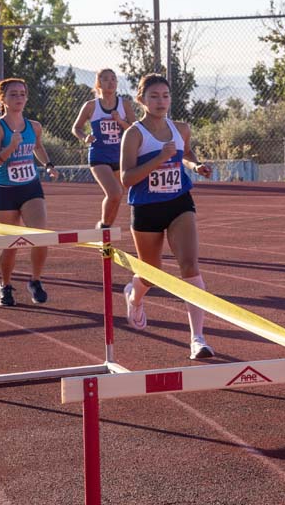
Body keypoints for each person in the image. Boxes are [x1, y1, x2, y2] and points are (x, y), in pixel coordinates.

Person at [120, 74, 214, 360]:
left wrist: (196, 165)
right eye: (154, 96)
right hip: (147, 207)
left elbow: (185, 153)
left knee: (190, 266)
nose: (161, 101)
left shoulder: (181, 128)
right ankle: (134, 297)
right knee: (151, 273)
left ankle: (197, 338)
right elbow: (126, 178)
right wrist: (159, 159)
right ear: (141, 100)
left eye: (165, 96)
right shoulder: (134, 134)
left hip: (178, 202)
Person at [0, 78, 60, 306]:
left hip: (31, 187)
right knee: (11, 244)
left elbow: (37, 146)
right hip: (6, 190)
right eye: (13, 94)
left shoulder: (34, 126)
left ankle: (35, 281)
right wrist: (10, 148)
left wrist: (48, 165)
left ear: (27, 98)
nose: (18, 98)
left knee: (41, 236)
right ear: (3, 99)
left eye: (22, 94)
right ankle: (5, 285)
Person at [71, 68, 133, 229]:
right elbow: (76, 128)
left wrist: (120, 121)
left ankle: (105, 228)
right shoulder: (91, 106)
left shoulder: (124, 104)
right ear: (99, 83)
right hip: (99, 156)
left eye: (113, 79)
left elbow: (134, 130)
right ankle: (104, 229)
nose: (110, 82)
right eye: (106, 79)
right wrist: (85, 137)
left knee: (117, 196)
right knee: (114, 192)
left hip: (120, 157)